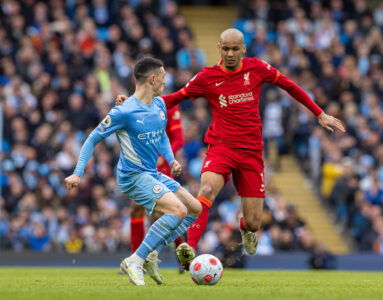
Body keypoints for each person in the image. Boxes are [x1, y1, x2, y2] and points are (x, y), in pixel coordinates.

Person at [115, 28, 345, 269]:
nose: (231, 54)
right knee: (206, 189)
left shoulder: (257, 68)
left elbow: (289, 85)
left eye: (236, 49)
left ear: (243, 49)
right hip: (221, 148)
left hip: (251, 152)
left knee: (255, 221)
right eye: (226, 49)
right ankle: (189, 250)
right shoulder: (207, 77)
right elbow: (173, 98)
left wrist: (319, 113)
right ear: (219, 49)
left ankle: (247, 228)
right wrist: (132, 103)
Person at [64, 57, 201, 286]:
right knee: (177, 210)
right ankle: (135, 259)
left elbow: (162, 135)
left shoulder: (158, 105)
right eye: (163, 78)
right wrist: (78, 172)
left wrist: (171, 159)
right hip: (132, 176)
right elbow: (92, 139)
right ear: (152, 79)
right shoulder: (123, 111)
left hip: (152, 173)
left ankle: (150, 253)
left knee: (194, 209)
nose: (165, 83)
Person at [129, 104, 186, 268]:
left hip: (161, 166)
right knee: (140, 209)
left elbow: (179, 139)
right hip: (143, 163)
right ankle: (137, 259)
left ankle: (137, 259)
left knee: (161, 212)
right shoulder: (139, 104)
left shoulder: (169, 107)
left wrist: (163, 157)